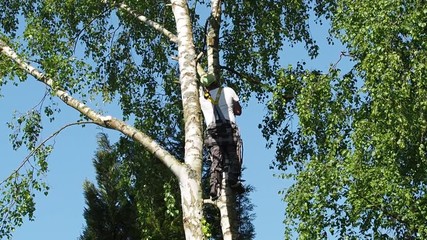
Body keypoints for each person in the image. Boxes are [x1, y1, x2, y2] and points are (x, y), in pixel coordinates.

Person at [199, 74, 244, 200]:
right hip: (228, 127)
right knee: (234, 153)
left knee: (216, 158)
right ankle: (233, 179)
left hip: (212, 131)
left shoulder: (202, 98)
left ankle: (214, 187)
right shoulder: (228, 91)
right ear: (216, 81)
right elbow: (238, 111)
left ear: (206, 86)